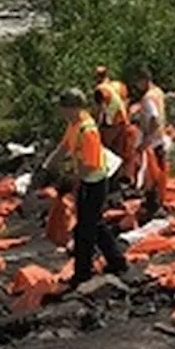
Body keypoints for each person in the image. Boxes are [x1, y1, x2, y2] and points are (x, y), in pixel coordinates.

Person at [53, 88, 128, 287]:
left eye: (63, 107)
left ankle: (83, 273)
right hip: (88, 181)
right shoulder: (74, 124)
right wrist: (46, 167)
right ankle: (117, 261)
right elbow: (63, 147)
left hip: (95, 183)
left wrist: (72, 179)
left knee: (84, 230)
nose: (60, 111)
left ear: (72, 108)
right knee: (95, 224)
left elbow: (91, 164)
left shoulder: (88, 131)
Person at [134, 68, 170, 216]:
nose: (136, 86)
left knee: (151, 175)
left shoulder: (148, 98)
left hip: (153, 140)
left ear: (144, 80)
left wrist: (146, 138)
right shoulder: (158, 92)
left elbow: (154, 118)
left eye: (137, 82)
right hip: (161, 137)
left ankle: (153, 206)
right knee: (160, 172)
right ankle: (159, 201)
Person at [94, 66, 135, 181]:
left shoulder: (100, 89)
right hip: (123, 121)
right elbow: (126, 101)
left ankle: (107, 180)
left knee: (106, 152)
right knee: (121, 151)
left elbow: (100, 110)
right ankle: (123, 177)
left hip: (110, 124)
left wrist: (95, 126)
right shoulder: (119, 85)